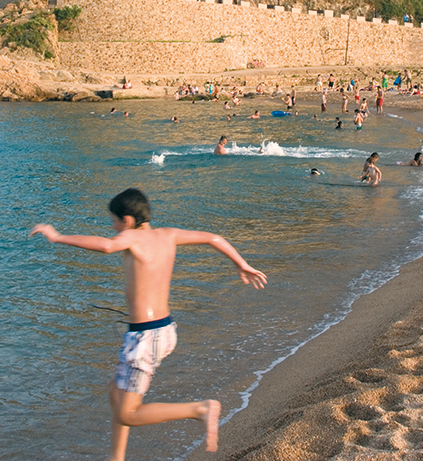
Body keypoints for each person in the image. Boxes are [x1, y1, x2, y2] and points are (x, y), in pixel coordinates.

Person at [29, 188, 266, 460]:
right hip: (164, 330)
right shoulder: (168, 234)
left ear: (127, 220)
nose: (113, 226)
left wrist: (57, 237)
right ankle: (116, 458)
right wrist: (241, 264)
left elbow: (106, 245)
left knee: (128, 414)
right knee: (114, 391)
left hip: (145, 338)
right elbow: (214, 237)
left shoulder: (130, 237)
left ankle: (200, 410)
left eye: (114, 221)